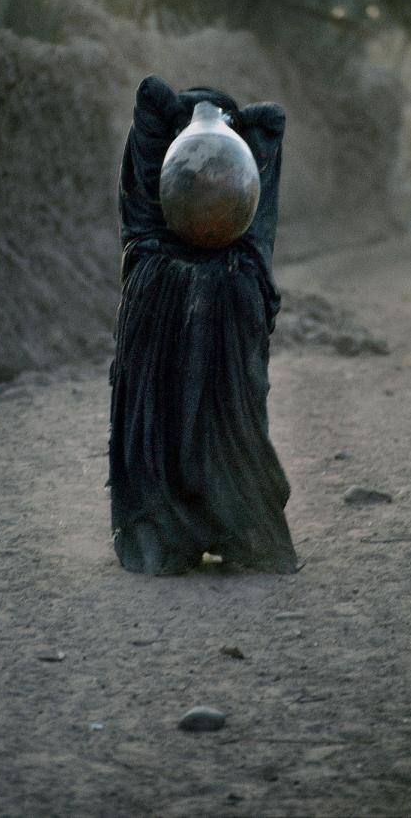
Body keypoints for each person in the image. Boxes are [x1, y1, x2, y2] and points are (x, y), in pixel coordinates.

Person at [108, 75, 297, 575]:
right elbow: (271, 117)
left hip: (161, 300)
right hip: (222, 301)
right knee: (230, 422)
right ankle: (240, 536)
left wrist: (189, 116)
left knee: (160, 419)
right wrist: (226, 117)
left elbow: (149, 94)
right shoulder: (245, 258)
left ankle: (165, 540)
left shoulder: (147, 238)